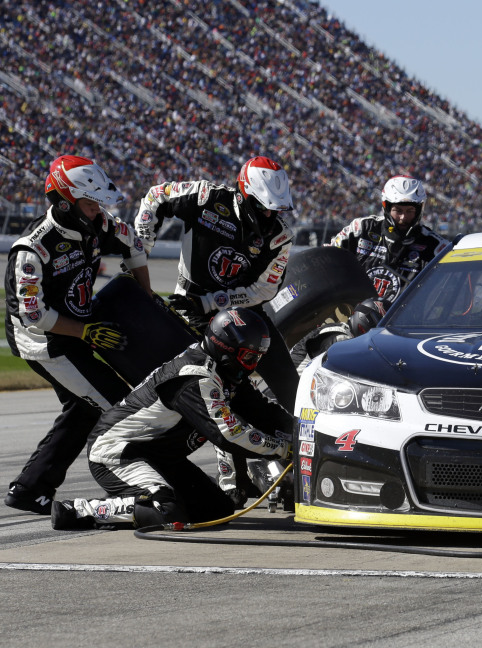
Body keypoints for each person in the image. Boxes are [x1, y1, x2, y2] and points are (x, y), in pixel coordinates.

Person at [133, 156, 299, 504]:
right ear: (244, 193)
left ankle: (304, 462)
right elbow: (155, 197)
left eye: (275, 209)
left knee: (291, 384)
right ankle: (234, 482)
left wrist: (215, 300)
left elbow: (266, 289)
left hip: (245, 313)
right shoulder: (205, 196)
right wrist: (140, 253)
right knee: (223, 392)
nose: (269, 216)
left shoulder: (281, 235)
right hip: (190, 307)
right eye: (262, 207)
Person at [51, 308, 294, 530]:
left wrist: (302, 430)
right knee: (167, 513)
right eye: (250, 358)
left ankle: (137, 499)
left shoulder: (224, 372)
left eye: (258, 359)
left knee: (217, 509)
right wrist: (285, 449)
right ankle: (80, 510)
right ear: (227, 348)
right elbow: (228, 434)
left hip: (159, 457)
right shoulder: (195, 378)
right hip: (118, 453)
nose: (253, 366)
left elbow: (262, 411)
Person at [4, 155, 152, 515]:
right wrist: (85, 331)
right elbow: (33, 314)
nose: (98, 212)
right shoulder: (32, 249)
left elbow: (133, 243)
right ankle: (130, 488)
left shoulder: (99, 225)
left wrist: (147, 299)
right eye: (89, 204)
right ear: (65, 202)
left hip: (77, 330)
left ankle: (30, 489)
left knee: (84, 409)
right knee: (117, 404)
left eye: (99, 204)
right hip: (43, 341)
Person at [291, 175, 449, 364]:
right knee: (300, 358)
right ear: (386, 206)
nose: (403, 218)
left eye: (409, 211)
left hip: (398, 334)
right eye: (398, 210)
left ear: (420, 210)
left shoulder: (435, 246)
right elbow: (326, 260)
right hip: (347, 323)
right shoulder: (361, 229)